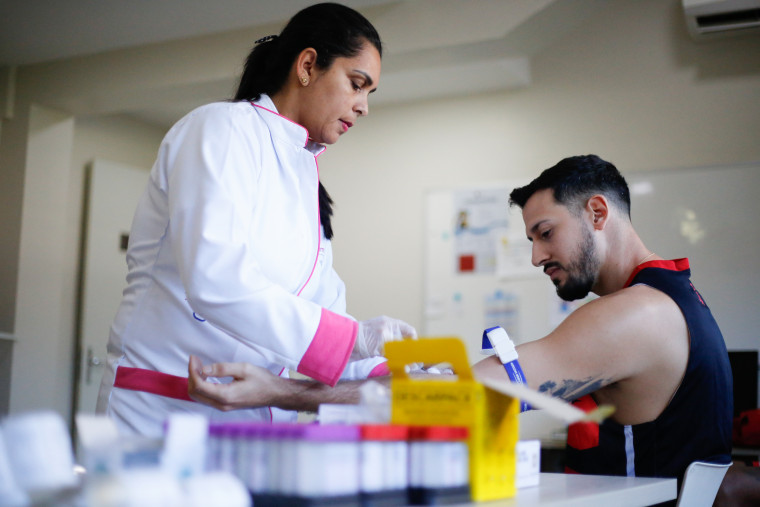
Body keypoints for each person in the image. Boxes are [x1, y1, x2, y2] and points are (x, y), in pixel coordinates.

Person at [188, 155, 733, 487]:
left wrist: (283, 391)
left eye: (545, 232)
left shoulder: (632, 315)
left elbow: (459, 395)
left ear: (597, 212)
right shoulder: (678, 297)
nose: (538, 256)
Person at [97, 2, 416, 437]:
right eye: (356, 84)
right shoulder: (221, 129)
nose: (363, 107)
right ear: (307, 65)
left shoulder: (305, 178)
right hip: (163, 411)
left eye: (369, 94)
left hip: (254, 424)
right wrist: (352, 340)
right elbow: (216, 279)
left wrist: (392, 367)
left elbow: (320, 303)